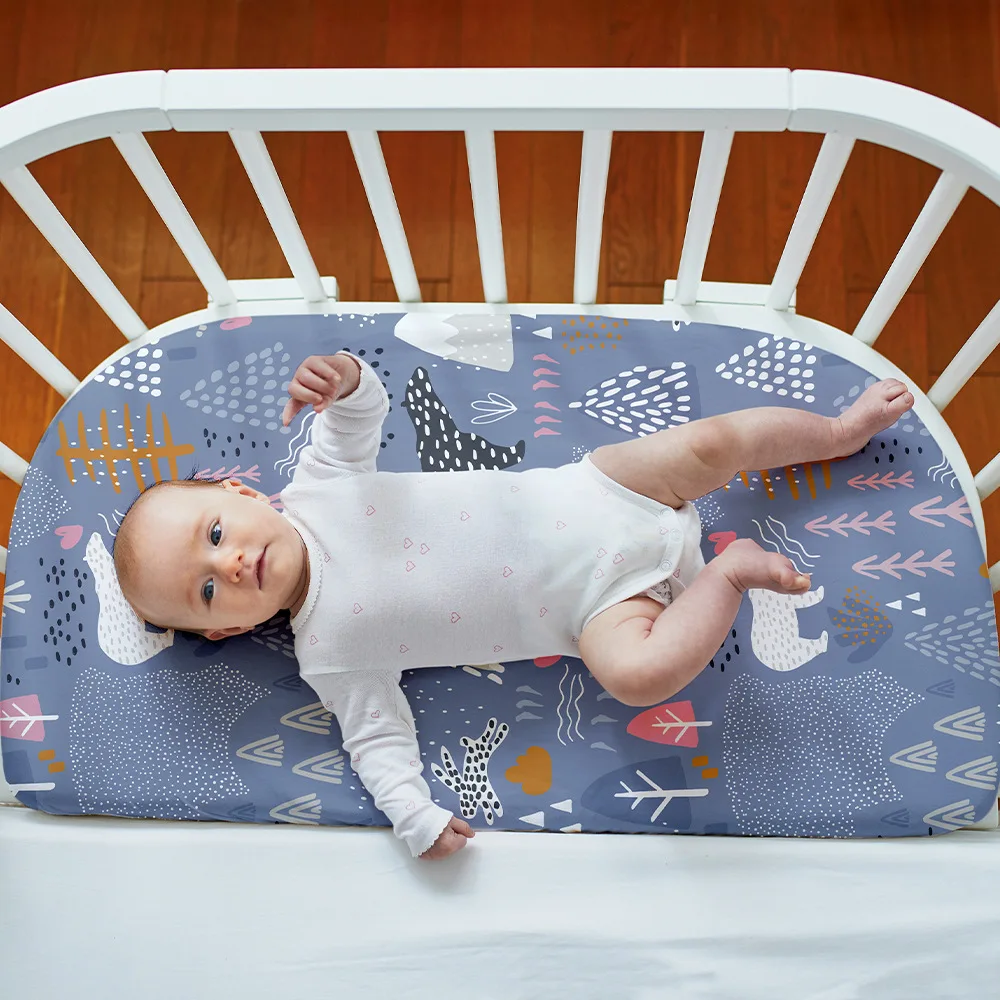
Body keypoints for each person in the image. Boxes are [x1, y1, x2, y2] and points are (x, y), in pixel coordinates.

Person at [113, 350, 914, 859]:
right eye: (207, 587)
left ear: (240, 490)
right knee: (635, 677)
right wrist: (411, 814)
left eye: (216, 531)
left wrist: (343, 378)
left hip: (603, 491)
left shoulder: (322, 484)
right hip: (602, 603)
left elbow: (363, 412)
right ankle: (727, 579)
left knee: (711, 445)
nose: (231, 561)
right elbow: (374, 736)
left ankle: (835, 432)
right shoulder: (331, 651)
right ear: (227, 628)